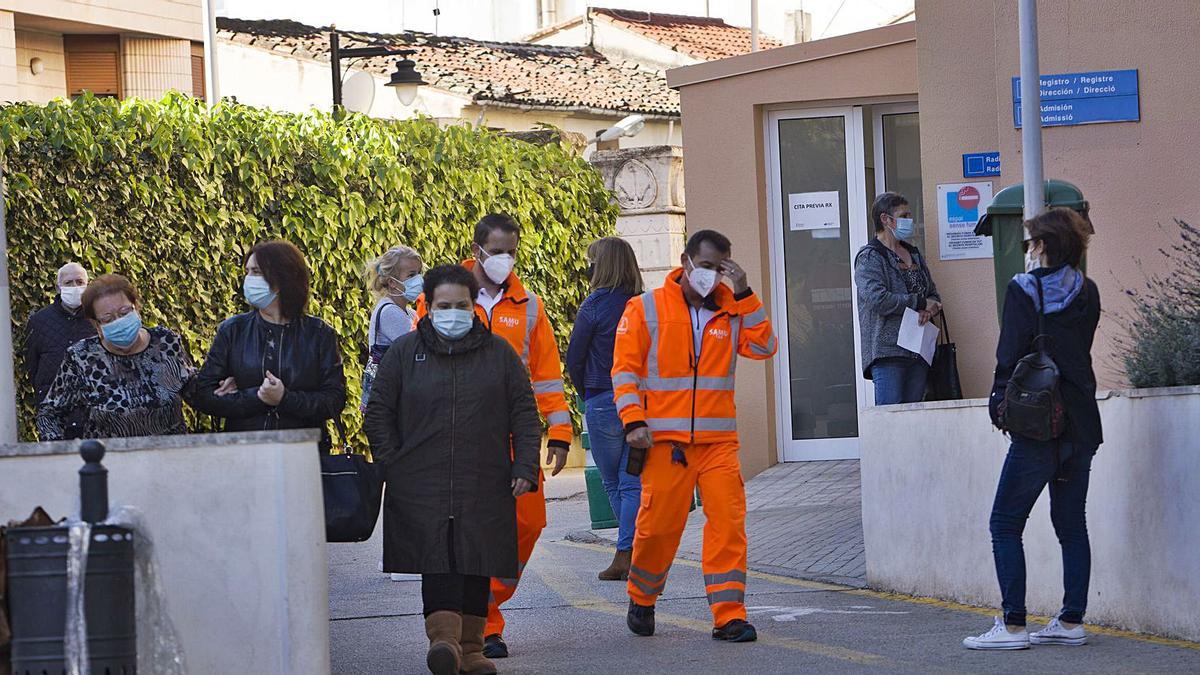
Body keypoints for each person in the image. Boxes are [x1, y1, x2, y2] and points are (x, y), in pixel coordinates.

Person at [365, 264, 541, 675]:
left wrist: (525, 465)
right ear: (428, 306)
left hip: (485, 478)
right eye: (444, 305)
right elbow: (378, 414)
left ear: (474, 305)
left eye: (461, 305)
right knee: (438, 558)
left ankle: (472, 648)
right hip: (421, 480)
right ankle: (443, 642)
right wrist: (393, 463)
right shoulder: (405, 354)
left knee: (477, 559)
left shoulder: (499, 353)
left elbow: (524, 415)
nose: (453, 312)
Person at [416, 213, 573, 659]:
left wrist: (559, 432)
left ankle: (485, 609)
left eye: (511, 251)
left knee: (528, 523)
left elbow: (546, 377)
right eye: (497, 250)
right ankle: (483, 627)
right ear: (478, 248)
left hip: (512, 437)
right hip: (459, 438)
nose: (505, 259)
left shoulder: (529, 306)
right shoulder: (447, 297)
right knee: (470, 532)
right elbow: (416, 360)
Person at [612, 229, 777, 643]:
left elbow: (765, 346)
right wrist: (633, 421)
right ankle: (643, 597)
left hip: (718, 443)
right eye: (704, 266)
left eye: (719, 269)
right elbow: (625, 371)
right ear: (685, 261)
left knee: (728, 524)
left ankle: (729, 614)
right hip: (664, 442)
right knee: (657, 529)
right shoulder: (645, 308)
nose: (710, 276)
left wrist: (744, 291)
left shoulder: (732, 310)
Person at [964, 208, 1102, 650]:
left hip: (1040, 423)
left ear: (1042, 246)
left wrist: (998, 402)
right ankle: (1071, 621)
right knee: (1070, 523)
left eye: (1031, 242)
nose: (1028, 249)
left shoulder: (1023, 290)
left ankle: (1012, 625)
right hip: (1080, 423)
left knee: (1004, 522)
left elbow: (1010, 355)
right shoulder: (1088, 291)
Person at [191, 240, 346, 449]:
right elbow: (204, 395)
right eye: (247, 271)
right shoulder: (233, 330)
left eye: (256, 271)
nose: (248, 279)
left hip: (302, 454)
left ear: (281, 278)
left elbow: (334, 400)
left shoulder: (319, 334)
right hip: (244, 452)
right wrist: (256, 396)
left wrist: (285, 398)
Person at [566, 237, 644, 581]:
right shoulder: (644, 304)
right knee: (633, 482)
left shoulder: (593, 305)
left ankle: (624, 554)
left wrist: (591, 394)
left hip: (603, 401)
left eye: (591, 261)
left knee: (613, 482)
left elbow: (574, 359)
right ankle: (634, 553)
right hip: (641, 403)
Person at [36, 274, 194, 440]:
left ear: (137, 308)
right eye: (108, 319)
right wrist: (63, 456)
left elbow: (195, 389)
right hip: (109, 459)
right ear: (97, 325)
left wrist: (220, 383)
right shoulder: (81, 358)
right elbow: (49, 414)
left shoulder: (166, 343)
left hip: (170, 456)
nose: (119, 321)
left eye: (124, 312)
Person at [854, 192, 943, 405]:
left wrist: (930, 309)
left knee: (915, 419)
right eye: (904, 215)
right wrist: (919, 303)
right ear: (885, 219)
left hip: (918, 351)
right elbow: (878, 299)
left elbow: (933, 294)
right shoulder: (870, 257)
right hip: (888, 354)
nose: (909, 220)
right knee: (891, 420)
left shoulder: (913, 254)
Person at [24, 262, 97, 437]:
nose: (74, 287)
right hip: (54, 415)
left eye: (79, 282)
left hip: (96, 412)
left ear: (88, 285)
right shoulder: (39, 321)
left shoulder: (99, 317)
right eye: (68, 282)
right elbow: (32, 367)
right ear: (58, 287)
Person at [361, 245, 423, 411]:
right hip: (390, 402)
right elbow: (421, 348)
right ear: (392, 282)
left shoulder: (409, 312)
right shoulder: (389, 312)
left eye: (419, 273)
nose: (419, 280)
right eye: (411, 275)